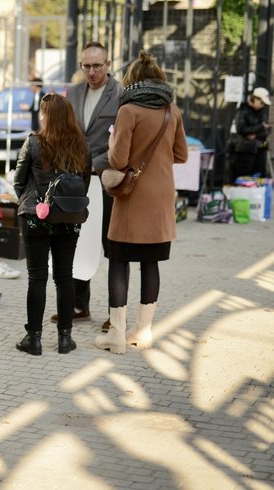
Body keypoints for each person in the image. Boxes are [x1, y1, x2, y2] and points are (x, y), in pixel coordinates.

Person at [94, 51, 187, 355]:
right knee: (151, 263)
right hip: (161, 200)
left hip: (132, 198)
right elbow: (181, 155)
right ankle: (143, 332)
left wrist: (112, 146)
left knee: (119, 261)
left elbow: (118, 160)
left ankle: (117, 335)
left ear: (131, 80)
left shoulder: (128, 110)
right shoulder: (172, 111)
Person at [13, 94, 91, 356]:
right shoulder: (82, 146)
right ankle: (65, 339)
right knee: (64, 276)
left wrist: (32, 202)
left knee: (37, 278)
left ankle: (33, 339)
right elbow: (84, 184)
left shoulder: (34, 142)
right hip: (69, 220)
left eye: (43, 112)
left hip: (37, 216)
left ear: (47, 116)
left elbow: (18, 181)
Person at [55, 41, 123, 328]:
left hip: (104, 179)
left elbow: (124, 139)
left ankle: (115, 312)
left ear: (108, 64)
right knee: (77, 241)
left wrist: (99, 161)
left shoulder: (120, 94)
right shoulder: (74, 92)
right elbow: (66, 131)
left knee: (110, 246)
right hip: (75, 179)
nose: (92, 71)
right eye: (87, 66)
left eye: (97, 65)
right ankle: (79, 306)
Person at [228, 87, 271, 181]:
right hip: (244, 150)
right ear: (254, 99)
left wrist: (256, 133)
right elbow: (242, 129)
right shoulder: (243, 111)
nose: (263, 105)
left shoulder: (262, 112)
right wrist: (260, 127)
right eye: (261, 102)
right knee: (243, 178)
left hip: (260, 149)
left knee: (258, 178)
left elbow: (267, 129)